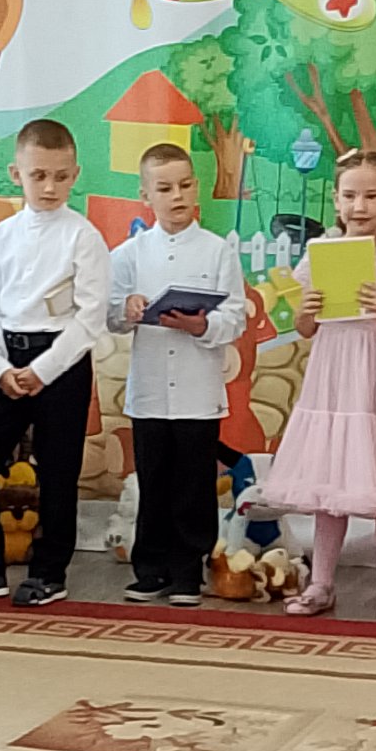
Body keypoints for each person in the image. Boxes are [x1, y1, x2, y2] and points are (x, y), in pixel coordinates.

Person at [0, 119, 110, 606]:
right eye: (39, 176)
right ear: (16, 174)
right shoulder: (3, 234)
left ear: (75, 174)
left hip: (62, 364)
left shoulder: (83, 237)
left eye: (60, 176)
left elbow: (89, 318)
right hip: (10, 362)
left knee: (58, 473)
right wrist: (1, 367)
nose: (50, 187)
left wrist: (44, 370)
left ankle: (49, 573)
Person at [264, 148, 376, 623]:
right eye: (350, 196)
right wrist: (308, 311)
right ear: (336, 201)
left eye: (371, 196)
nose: (360, 206)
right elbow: (305, 328)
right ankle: (321, 582)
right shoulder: (321, 253)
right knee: (330, 483)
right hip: (334, 374)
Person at [108, 144, 246, 608]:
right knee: (153, 481)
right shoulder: (128, 254)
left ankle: (188, 571)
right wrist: (127, 310)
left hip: (197, 390)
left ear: (196, 187)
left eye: (185, 185)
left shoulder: (218, 250)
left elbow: (235, 316)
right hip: (149, 390)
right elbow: (109, 314)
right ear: (145, 195)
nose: (177, 196)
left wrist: (201, 325)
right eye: (165, 188)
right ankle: (150, 570)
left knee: (194, 484)